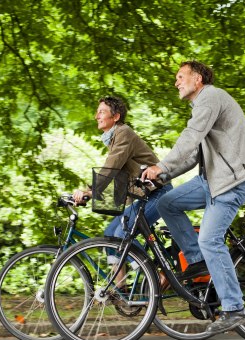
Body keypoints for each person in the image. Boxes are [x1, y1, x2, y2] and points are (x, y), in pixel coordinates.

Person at [142, 61, 245, 334]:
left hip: (234, 181)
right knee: (167, 203)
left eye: (180, 77)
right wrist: (161, 177)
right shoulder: (203, 106)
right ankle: (197, 260)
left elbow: (189, 137)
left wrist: (161, 166)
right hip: (213, 180)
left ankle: (234, 308)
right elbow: (192, 155)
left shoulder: (210, 97)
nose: (176, 82)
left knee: (210, 239)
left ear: (197, 78)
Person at [73, 96, 172, 283]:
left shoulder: (123, 133)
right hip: (145, 196)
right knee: (111, 233)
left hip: (159, 194)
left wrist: (88, 191)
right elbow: (119, 175)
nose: (96, 116)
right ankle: (120, 288)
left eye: (101, 112)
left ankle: (158, 276)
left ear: (116, 116)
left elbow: (111, 167)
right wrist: (93, 193)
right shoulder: (113, 138)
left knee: (122, 234)